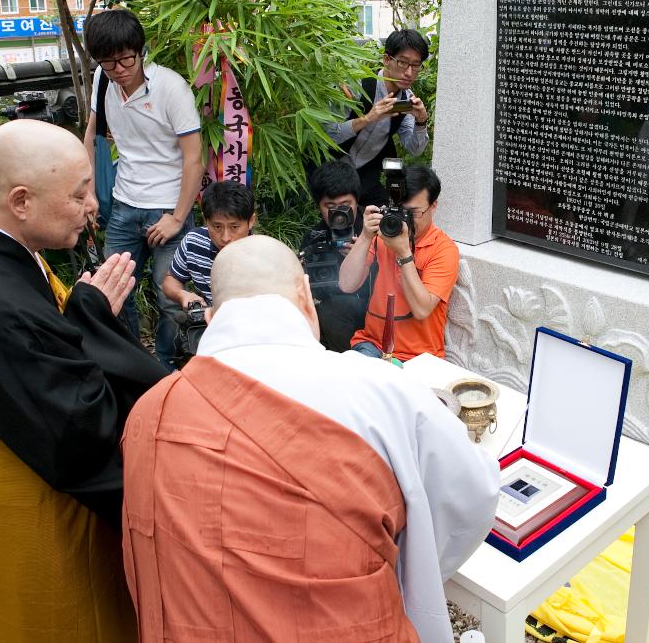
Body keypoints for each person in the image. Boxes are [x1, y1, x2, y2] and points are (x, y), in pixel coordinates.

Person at [121, 235, 499, 642]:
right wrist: (410, 564)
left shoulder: (151, 411)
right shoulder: (381, 392)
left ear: (212, 317)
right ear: (304, 293)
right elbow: (472, 495)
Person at [0, 119, 169, 642]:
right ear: (22, 201)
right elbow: (82, 428)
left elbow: (43, 349)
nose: (93, 207)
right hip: (34, 527)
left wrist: (85, 308)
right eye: (79, 195)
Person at [83, 8, 204, 369]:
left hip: (168, 206)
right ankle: (132, 363)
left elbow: (194, 158)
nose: (119, 70)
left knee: (172, 297)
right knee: (113, 293)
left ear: (141, 51)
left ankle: (168, 368)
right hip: (123, 204)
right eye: (109, 63)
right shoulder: (102, 81)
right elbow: (91, 136)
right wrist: (87, 192)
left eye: (126, 59)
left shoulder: (171, 88)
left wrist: (177, 218)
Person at [339, 164, 460, 361]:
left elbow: (422, 310)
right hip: (372, 344)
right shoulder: (383, 234)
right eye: (399, 210)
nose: (403, 220)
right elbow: (346, 284)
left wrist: (403, 252)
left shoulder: (443, 249)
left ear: (433, 206)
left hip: (419, 356)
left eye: (413, 212)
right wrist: (364, 236)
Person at [323, 29, 431, 207]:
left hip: (366, 176)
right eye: (403, 63)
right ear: (387, 59)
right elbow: (328, 135)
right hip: (330, 169)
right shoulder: (358, 84)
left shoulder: (406, 100)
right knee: (344, 220)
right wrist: (368, 118)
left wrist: (421, 122)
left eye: (416, 65)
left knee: (389, 217)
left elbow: (414, 150)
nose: (409, 73)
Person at [298, 160, 370, 352]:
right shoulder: (315, 237)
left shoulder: (373, 229)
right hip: (331, 318)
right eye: (330, 206)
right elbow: (313, 294)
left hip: (372, 314)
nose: (339, 213)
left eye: (346, 205)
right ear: (318, 205)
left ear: (357, 200)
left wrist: (366, 256)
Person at [160, 179, 254, 312]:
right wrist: (182, 295)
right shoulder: (193, 242)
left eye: (234, 227)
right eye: (217, 226)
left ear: (251, 221)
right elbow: (170, 281)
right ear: (206, 220)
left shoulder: (264, 253)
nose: (225, 237)